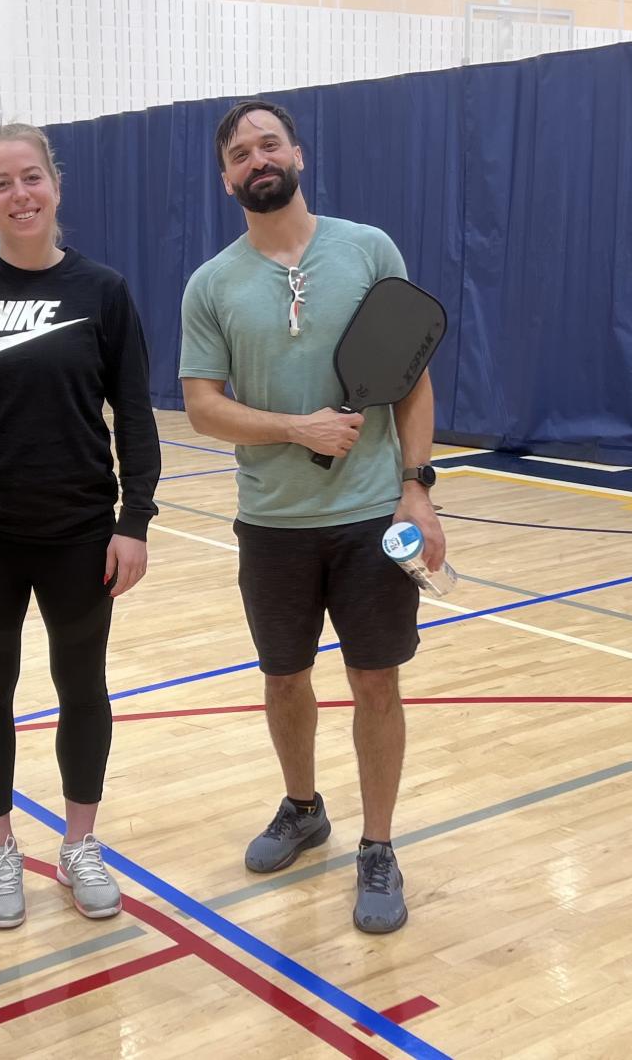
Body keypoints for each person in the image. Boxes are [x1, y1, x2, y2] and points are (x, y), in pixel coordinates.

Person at [177, 99, 447, 935]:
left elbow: (410, 376)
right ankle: (303, 808)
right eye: (238, 154)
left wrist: (417, 488)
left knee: (375, 681)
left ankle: (377, 845)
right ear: (225, 179)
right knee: (284, 678)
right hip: (271, 523)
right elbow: (201, 408)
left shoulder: (368, 251)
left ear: (296, 154)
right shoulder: (211, 284)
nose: (256, 160)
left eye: (268, 144)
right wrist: (294, 428)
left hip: (372, 517)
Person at [0, 122, 161, 929]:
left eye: (31, 178)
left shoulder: (103, 291)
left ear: (55, 184)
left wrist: (135, 521)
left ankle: (79, 844)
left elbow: (134, 414)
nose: (20, 195)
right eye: (1, 183)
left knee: (81, 687)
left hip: (81, 533)